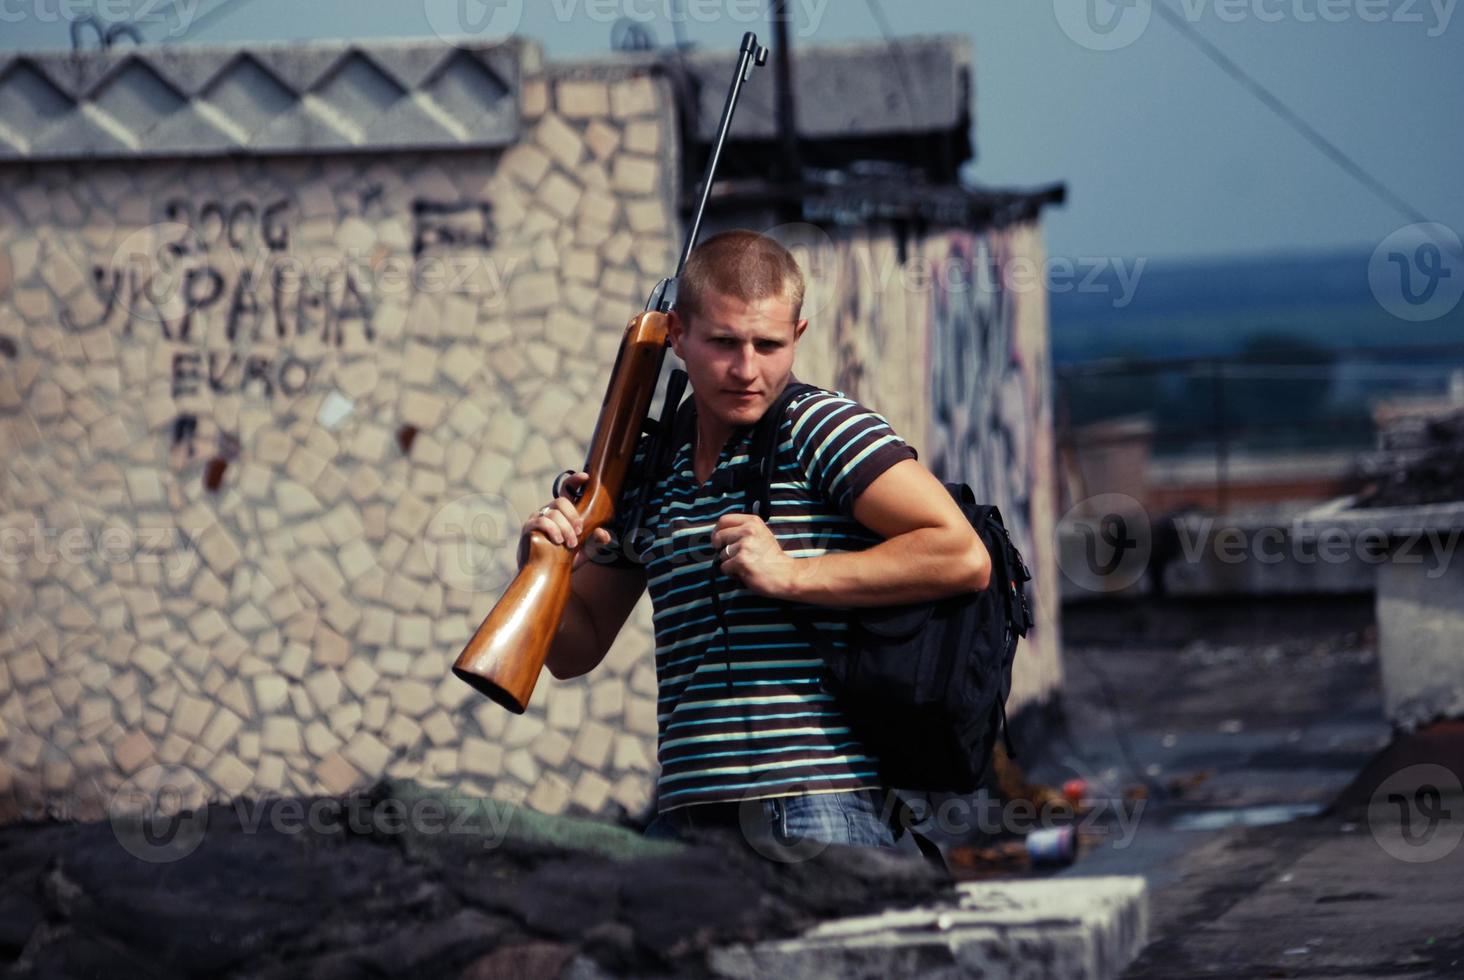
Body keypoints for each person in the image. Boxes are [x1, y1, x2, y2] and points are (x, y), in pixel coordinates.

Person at [518, 230, 991, 854]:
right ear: (678, 336)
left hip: (817, 801)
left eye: (768, 345)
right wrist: (540, 566)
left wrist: (791, 575)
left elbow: (961, 554)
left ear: (796, 337)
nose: (746, 369)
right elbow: (573, 652)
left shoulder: (820, 427)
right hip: (688, 810)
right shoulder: (651, 462)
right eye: (722, 343)